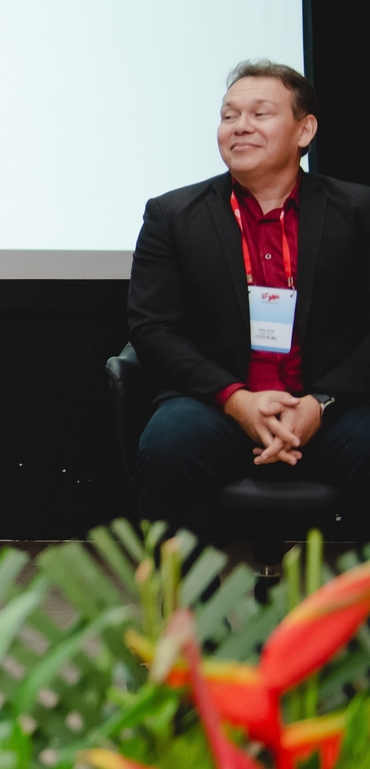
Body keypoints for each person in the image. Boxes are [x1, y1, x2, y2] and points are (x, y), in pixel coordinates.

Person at [130, 61, 370, 542]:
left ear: (305, 130)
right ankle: (185, 595)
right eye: (229, 116)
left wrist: (320, 403)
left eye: (260, 114)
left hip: (332, 406)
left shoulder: (358, 212)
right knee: (167, 447)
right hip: (218, 406)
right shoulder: (173, 215)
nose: (240, 126)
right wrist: (236, 399)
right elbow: (153, 327)